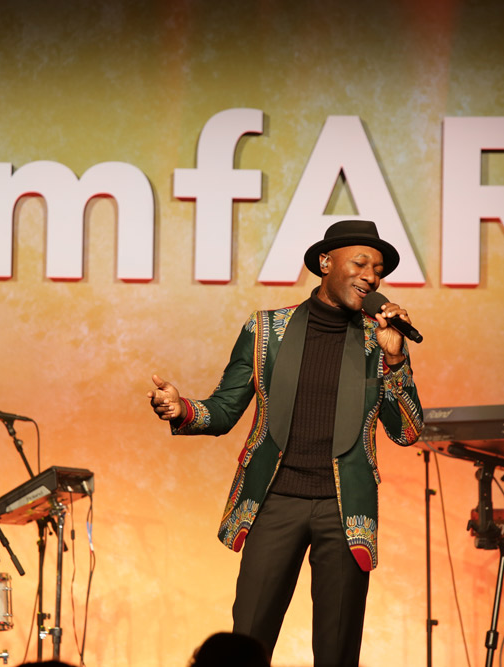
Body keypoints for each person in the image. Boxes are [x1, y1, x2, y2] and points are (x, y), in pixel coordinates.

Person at [148, 219, 424, 666]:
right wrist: (182, 410)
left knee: (337, 649)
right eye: (361, 263)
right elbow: (222, 411)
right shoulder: (266, 331)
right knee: (248, 640)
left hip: (345, 509)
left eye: (379, 269)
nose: (372, 276)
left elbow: (407, 432)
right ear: (324, 263)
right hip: (274, 501)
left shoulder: (380, 341)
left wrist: (396, 359)